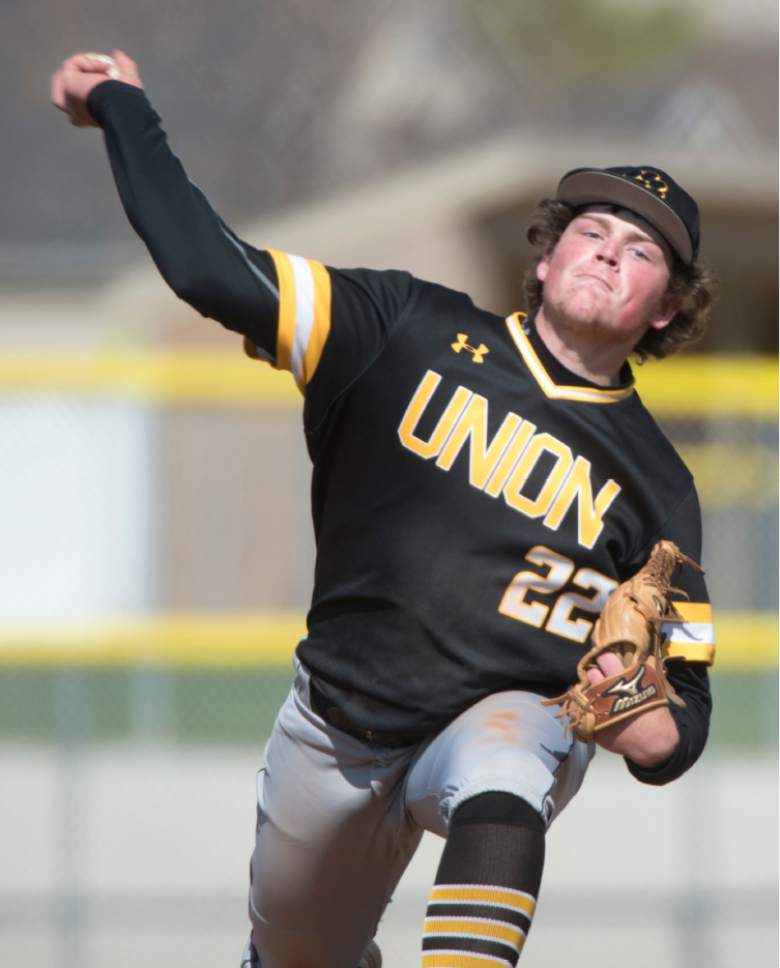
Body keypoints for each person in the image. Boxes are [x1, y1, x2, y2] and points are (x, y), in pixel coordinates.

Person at [52, 51, 718, 968]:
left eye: (642, 250)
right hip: (335, 725)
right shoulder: (400, 330)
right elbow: (210, 269)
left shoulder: (659, 482)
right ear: (549, 250)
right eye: (593, 228)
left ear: (664, 311)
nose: (610, 250)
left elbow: (685, 713)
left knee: (513, 753)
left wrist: (650, 726)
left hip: (498, 721)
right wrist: (123, 107)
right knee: (294, 956)